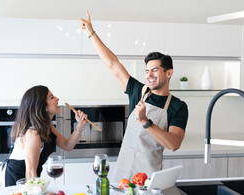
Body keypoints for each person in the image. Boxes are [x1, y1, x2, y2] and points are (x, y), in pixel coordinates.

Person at [80, 11, 188, 181]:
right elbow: (113, 65)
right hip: (122, 175)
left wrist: (146, 121)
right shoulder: (139, 92)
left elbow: (174, 144)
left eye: (155, 70)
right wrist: (91, 34)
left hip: (149, 179)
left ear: (169, 73)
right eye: (147, 71)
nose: (149, 74)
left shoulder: (178, 107)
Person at [0, 85, 87, 187]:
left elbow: (67, 146)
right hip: (15, 183)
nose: (57, 99)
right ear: (43, 106)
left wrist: (80, 125)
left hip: (29, 181)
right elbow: (30, 173)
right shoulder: (33, 133)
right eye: (52, 97)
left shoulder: (47, 126)